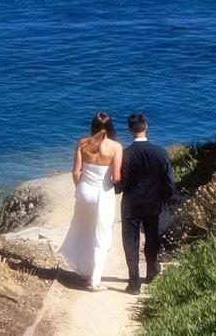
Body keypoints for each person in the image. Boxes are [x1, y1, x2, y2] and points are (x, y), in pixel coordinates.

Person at [59, 112, 123, 291]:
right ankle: (94, 281)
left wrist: (79, 189)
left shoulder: (82, 143)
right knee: (101, 235)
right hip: (103, 195)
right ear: (110, 127)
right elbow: (116, 177)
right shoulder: (116, 147)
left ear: (92, 126)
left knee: (84, 230)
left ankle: (84, 271)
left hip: (84, 192)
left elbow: (75, 172)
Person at [116, 112, 175, 295]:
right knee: (152, 239)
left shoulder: (126, 155)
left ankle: (134, 284)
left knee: (131, 243)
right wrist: (163, 198)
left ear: (129, 130)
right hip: (152, 202)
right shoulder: (160, 152)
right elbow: (169, 183)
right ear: (146, 126)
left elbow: (120, 187)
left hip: (131, 205)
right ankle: (151, 271)